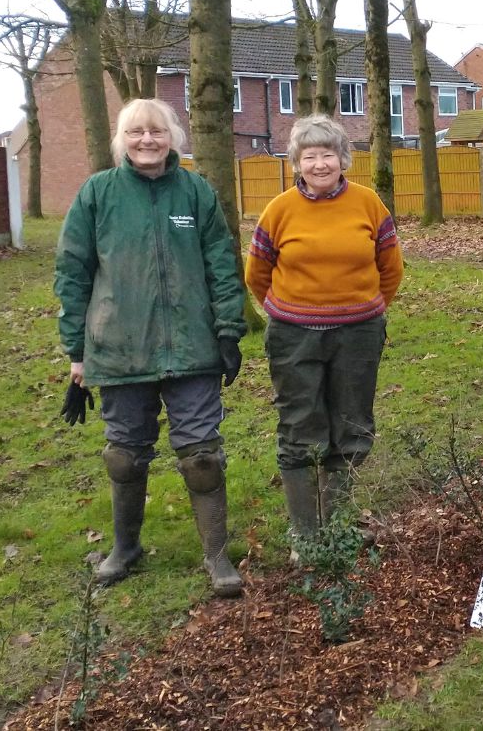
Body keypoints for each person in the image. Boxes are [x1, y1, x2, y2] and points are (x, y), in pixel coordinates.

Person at [55, 98, 247, 598]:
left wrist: (228, 330)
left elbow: (223, 264)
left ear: (172, 137)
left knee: (202, 455)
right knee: (124, 455)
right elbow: (72, 274)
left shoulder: (196, 192)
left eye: (157, 131)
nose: (147, 140)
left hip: (192, 347)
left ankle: (216, 555)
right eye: (136, 131)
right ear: (122, 138)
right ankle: (125, 548)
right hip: (119, 348)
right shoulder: (97, 195)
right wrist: (77, 352)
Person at [245, 114, 403, 556]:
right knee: (300, 428)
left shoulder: (369, 204)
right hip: (294, 337)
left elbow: (390, 269)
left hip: (357, 336)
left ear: (342, 158)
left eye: (327, 154)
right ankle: (305, 535)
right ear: (297, 161)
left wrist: (365, 309)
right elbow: (257, 273)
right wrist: (287, 310)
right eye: (309, 156)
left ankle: (337, 527)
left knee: (351, 427)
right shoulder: (279, 210)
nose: (319, 164)